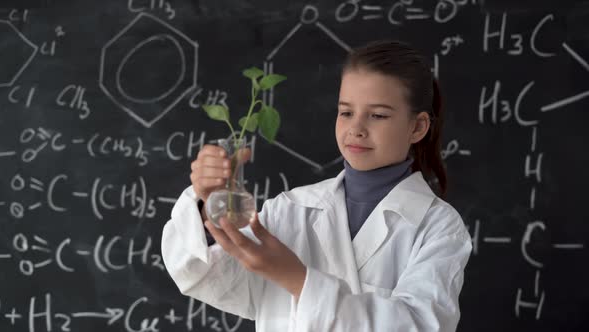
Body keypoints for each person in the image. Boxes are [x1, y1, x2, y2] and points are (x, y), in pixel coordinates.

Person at [161, 39, 473, 332]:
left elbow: (419, 326)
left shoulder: (438, 227)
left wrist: (297, 278)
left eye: (377, 115)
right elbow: (205, 278)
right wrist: (208, 204)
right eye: (346, 112)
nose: (356, 129)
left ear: (417, 127)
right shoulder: (290, 210)